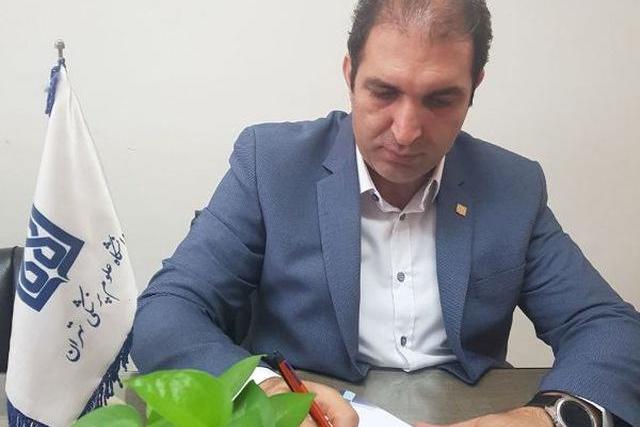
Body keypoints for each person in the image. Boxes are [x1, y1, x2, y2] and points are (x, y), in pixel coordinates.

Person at [131, 1, 640, 426]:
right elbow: (168, 311)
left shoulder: (513, 185)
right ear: (350, 75)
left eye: (440, 100)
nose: (405, 131)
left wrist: (543, 419)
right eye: (384, 92)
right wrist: (269, 394)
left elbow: (608, 326)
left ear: (474, 90)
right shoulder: (271, 165)